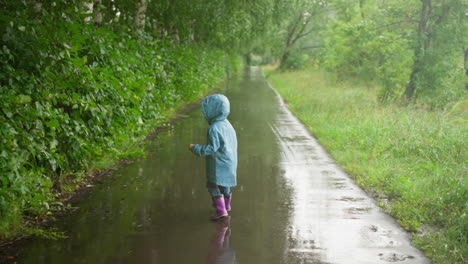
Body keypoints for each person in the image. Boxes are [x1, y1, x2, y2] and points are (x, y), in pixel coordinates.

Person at [189, 94, 238, 220]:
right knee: (225, 183)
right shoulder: (227, 124)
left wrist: (195, 148)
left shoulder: (214, 128)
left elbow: (211, 148)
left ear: (213, 110)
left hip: (218, 164)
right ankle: (226, 205)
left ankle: (221, 210)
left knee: (213, 185)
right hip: (230, 160)